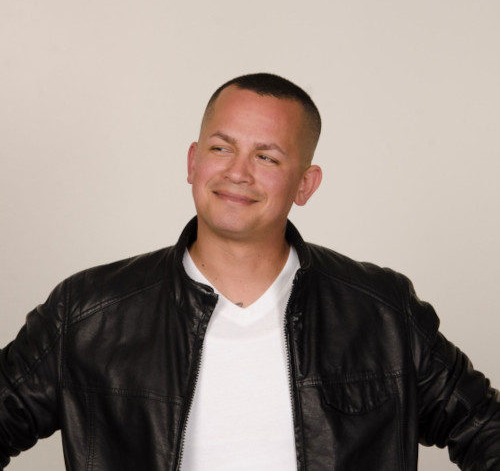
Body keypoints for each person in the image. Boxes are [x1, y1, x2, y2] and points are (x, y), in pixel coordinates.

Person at [0, 73, 499, 471]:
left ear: (305, 184)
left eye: (267, 157)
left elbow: (485, 429)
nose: (237, 172)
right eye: (221, 148)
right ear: (193, 162)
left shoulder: (382, 312)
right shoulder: (87, 312)